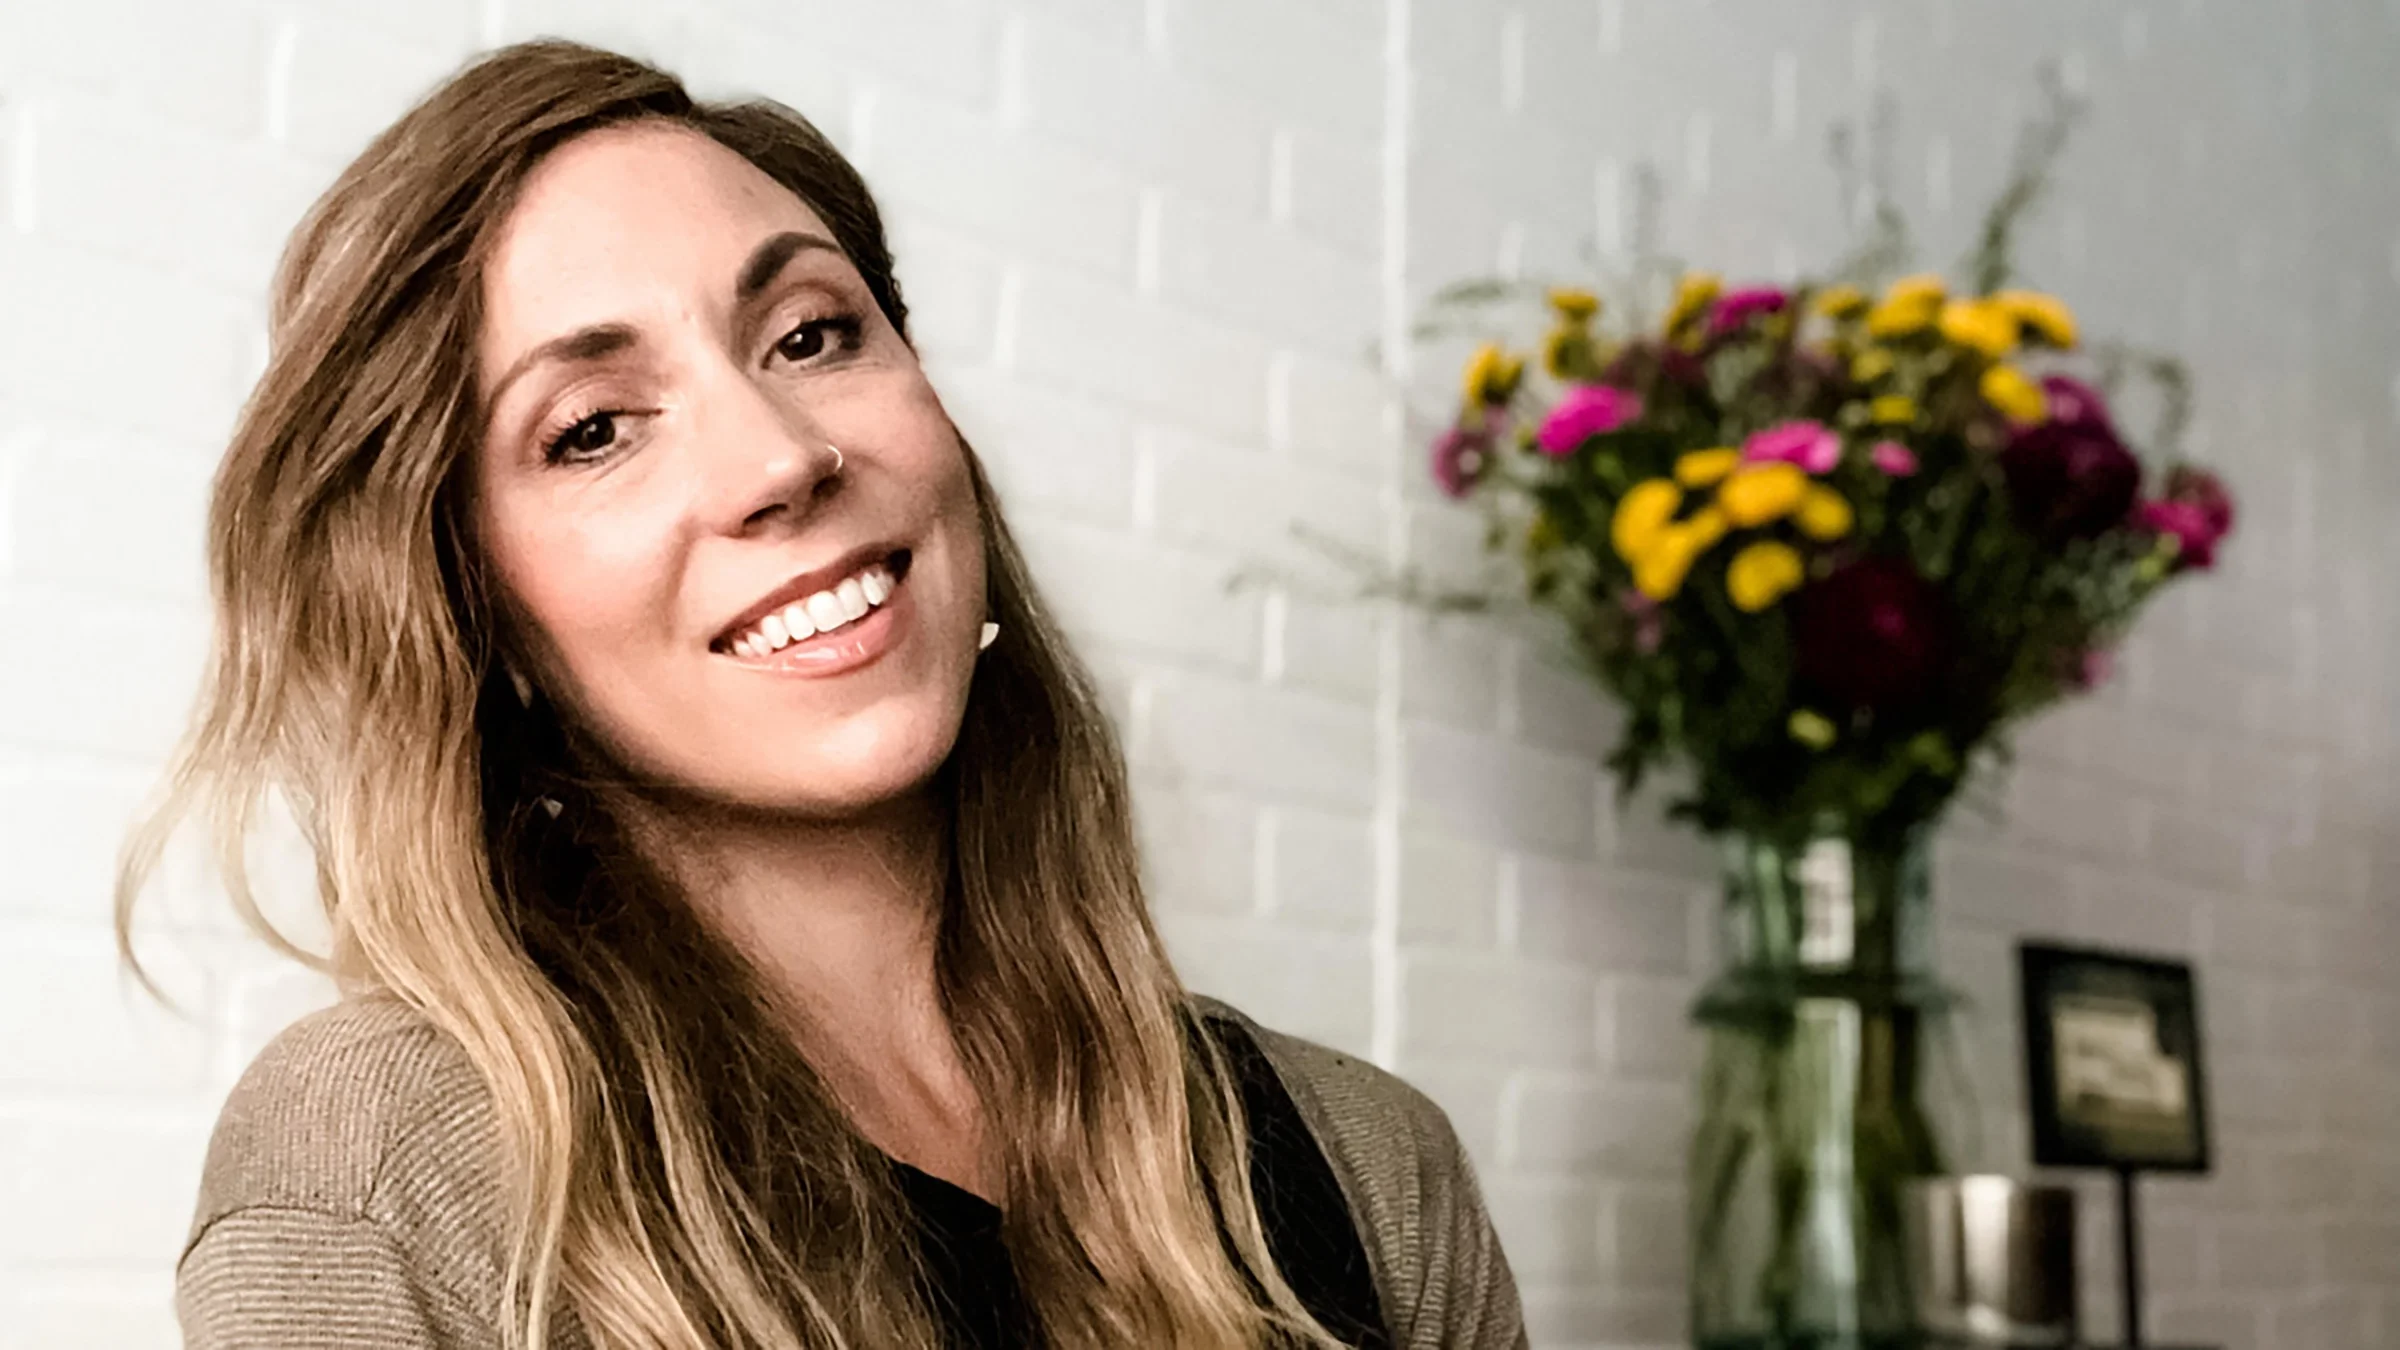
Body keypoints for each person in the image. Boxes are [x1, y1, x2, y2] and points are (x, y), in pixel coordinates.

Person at [118, 39, 1525, 1350]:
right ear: (475, 612)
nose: (778, 459)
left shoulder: (1373, 1166)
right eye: (593, 429)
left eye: (810, 335)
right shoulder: (390, 1163)